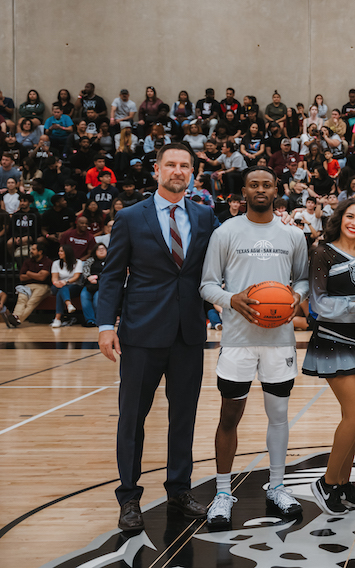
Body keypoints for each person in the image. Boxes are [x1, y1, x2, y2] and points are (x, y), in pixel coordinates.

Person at [97, 143, 219, 531]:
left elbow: (214, 270)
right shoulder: (131, 217)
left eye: (185, 165)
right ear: (157, 170)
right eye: (171, 164)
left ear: (193, 173)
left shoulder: (204, 216)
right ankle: (129, 497)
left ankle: (179, 489)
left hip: (188, 332)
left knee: (183, 417)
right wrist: (105, 326)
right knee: (132, 418)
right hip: (141, 333)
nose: (178, 171)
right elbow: (113, 275)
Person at [199, 166, 308, 528]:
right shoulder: (225, 232)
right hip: (237, 340)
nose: (261, 189)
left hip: (279, 342)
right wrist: (232, 300)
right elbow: (208, 285)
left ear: (276, 189)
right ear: (243, 191)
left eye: (267, 184)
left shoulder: (293, 236)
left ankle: (277, 486)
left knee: (279, 415)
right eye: (254, 185)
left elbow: (304, 280)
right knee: (229, 416)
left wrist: (297, 297)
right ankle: (222, 492)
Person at [300, 196, 355, 513]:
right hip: (333, 341)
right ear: (340, 218)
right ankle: (326, 482)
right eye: (350, 216)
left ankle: (344, 484)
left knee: (353, 419)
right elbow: (319, 304)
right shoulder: (321, 252)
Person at [80, 242, 108, 328]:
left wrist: (97, 277)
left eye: (103, 249)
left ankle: (99, 320)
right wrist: (89, 278)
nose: (101, 251)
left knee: (97, 298)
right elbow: (85, 271)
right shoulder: (90, 260)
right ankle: (90, 320)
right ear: (95, 251)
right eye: (99, 249)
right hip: (90, 284)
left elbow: (110, 273)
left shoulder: (110, 260)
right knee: (84, 295)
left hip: (103, 284)